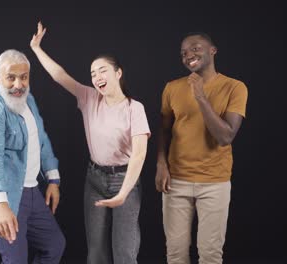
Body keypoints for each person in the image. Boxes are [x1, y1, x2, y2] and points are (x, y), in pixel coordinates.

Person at [30, 22, 150, 264]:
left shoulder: (134, 108)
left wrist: (124, 192)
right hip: (94, 179)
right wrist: (36, 48)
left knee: (124, 253)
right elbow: (59, 75)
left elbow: (138, 155)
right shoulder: (88, 97)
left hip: (124, 179)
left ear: (118, 73)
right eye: (93, 73)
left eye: (102, 70)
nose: (96, 77)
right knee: (96, 253)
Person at [155, 32, 248, 264]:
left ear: (212, 50)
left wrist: (201, 97)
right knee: (175, 254)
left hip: (214, 182)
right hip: (176, 182)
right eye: (184, 53)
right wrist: (161, 163)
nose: (189, 55)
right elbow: (164, 130)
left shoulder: (235, 87)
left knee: (209, 254)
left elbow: (225, 136)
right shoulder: (172, 88)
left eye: (195, 49)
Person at [0, 49, 66, 264]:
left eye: (24, 77)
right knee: (15, 260)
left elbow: (40, 137)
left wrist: (53, 179)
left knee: (54, 246)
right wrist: (0, 204)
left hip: (31, 190)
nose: (18, 84)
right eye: (11, 77)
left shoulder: (28, 99)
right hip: (4, 195)